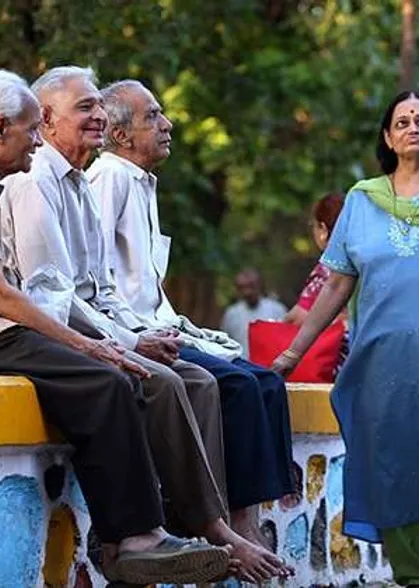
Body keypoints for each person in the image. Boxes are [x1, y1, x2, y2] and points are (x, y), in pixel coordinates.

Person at [0, 70, 230, 584]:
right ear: (0, 129)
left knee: (115, 378)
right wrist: (89, 345)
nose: (38, 140)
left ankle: (139, 536)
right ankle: (132, 541)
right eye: (30, 130)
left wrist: (94, 344)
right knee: (106, 381)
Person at [0, 66, 283, 583]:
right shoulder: (38, 179)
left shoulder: (77, 180)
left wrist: (173, 334)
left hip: (100, 325)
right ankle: (207, 531)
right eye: (85, 107)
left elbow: (104, 291)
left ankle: (203, 532)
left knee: (205, 379)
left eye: (98, 107)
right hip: (54, 332)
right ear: (46, 119)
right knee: (173, 381)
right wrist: (131, 341)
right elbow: (53, 295)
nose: (98, 117)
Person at [88, 79, 296, 574]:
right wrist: (147, 336)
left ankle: (247, 517)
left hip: (159, 324)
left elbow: (148, 287)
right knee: (240, 388)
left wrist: (191, 331)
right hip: (130, 332)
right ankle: (227, 526)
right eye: (153, 117)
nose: (167, 124)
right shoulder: (110, 179)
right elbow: (98, 282)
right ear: (119, 134)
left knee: (266, 383)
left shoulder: (140, 182)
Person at [273, 91, 419, 588]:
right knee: (391, 466)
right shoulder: (362, 200)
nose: (412, 127)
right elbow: (337, 280)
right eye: (401, 121)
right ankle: (413, 574)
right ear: (388, 137)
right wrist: (294, 350)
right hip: (377, 364)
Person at [285, 192, 346, 325]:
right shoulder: (367, 260)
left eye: (313, 225)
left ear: (323, 229)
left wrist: (280, 323)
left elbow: (299, 316)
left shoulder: (328, 268)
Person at [222, 268, 288, 356]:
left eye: (251, 286)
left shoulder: (277, 309)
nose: (247, 292)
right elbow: (226, 342)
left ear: (259, 285)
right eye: (242, 287)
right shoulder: (231, 314)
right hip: (241, 365)